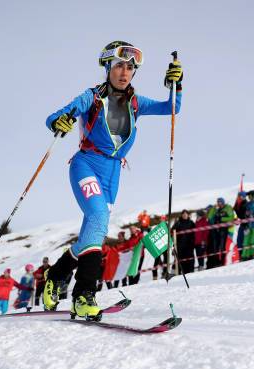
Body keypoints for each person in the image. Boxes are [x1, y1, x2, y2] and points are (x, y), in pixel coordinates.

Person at [42, 41, 183, 321]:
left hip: (112, 174)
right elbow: (55, 117)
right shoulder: (92, 97)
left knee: (92, 233)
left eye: (130, 67)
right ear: (107, 67)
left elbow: (172, 108)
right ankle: (83, 295)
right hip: (86, 164)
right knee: (96, 217)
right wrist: (59, 122)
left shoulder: (136, 102)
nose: (124, 72)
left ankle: (55, 275)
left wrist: (176, 84)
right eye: (119, 65)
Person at [206, 198, 235, 268]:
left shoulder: (227, 208)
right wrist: (213, 208)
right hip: (218, 231)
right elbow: (209, 217)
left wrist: (222, 219)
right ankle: (218, 262)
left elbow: (231, 217)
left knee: (223, 246)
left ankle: (222, 261)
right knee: (217, 247)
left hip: (225, 230)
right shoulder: (217, 210)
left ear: (223, 202)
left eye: (220, 202)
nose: (219, 204)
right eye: (218, 202)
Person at [233, 191, 248, 259]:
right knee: (239, 240)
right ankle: (241, 255)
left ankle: (245, 255)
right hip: (242, 224)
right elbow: (234, 212)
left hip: (247, 225)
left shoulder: (245, 204)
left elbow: (245, 214)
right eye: (239, 196)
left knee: (245, 240)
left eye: (242, 196)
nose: (240, 197)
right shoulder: (237, 204)